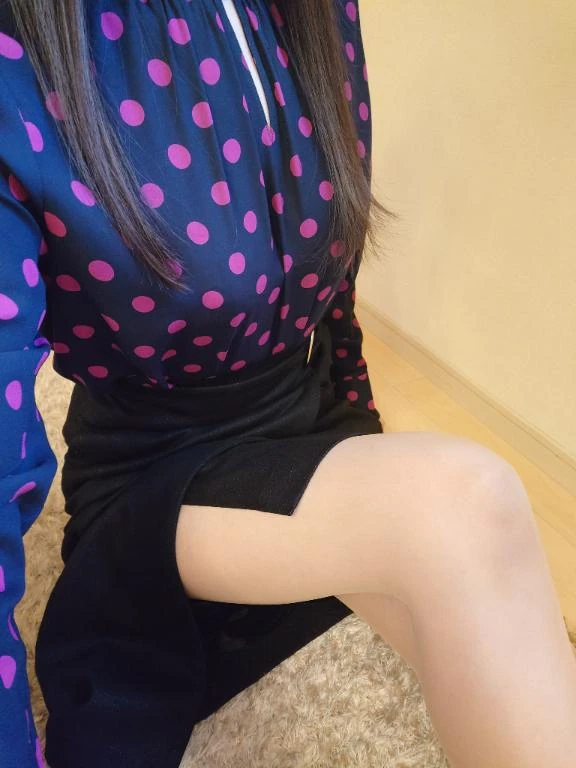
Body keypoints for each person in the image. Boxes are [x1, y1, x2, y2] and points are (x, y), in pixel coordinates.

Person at [1, 1, 575, 767]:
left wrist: (359, 431)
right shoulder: (23, 49)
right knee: (469, 505)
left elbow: (333, 279)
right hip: (154, 463)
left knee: (499, 611)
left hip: (298, 412)